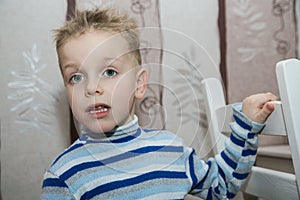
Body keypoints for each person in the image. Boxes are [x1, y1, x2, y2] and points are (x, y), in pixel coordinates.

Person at [41, 8, 278, 200]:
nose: (92, 88)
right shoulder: (64, 174)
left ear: (139, 84)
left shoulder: (171, 149)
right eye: (76, 77)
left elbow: (222, 186)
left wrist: (245, 126)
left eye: (110, 72)